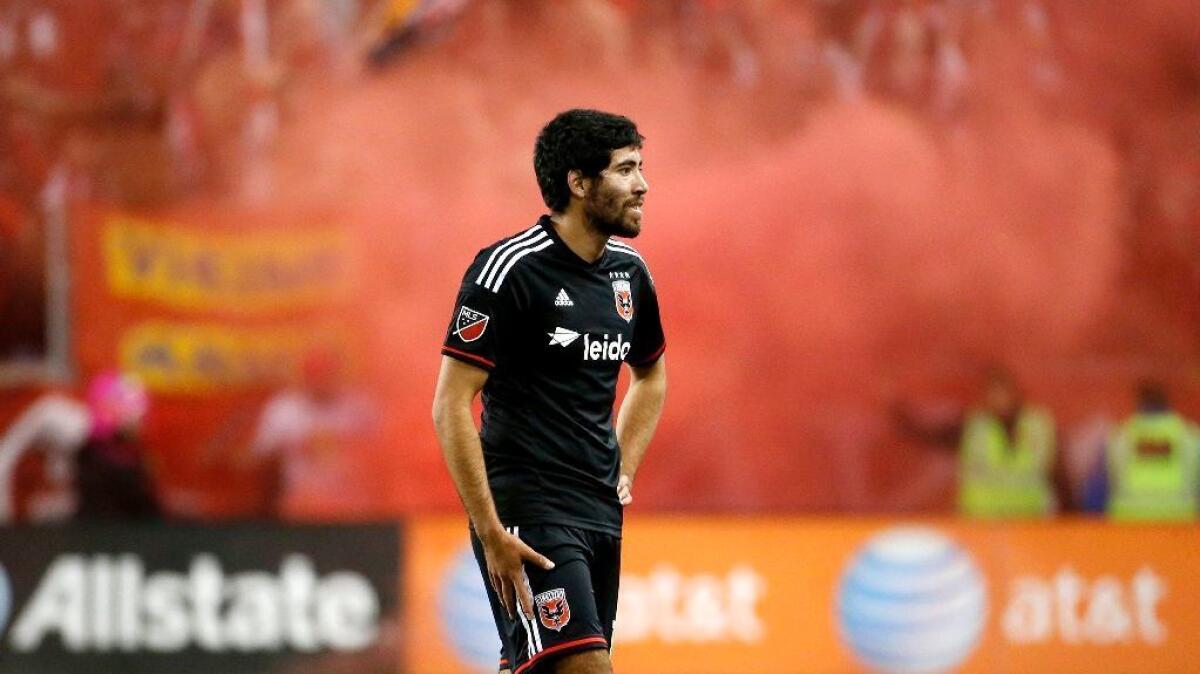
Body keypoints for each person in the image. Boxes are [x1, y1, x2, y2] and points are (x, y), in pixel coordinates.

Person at [432, 109, 667, 674]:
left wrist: (622, 468)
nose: (643, 185)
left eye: (641, 168)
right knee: (586, 668)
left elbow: (651, 375)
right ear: (579, 183)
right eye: (626, 170)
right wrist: (490, 532)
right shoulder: (507, 270)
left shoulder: (630, 274)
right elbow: (450, 404)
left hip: (599, 514)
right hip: (529, 510)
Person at [894, 367, 1064, 517]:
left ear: (1016, 393)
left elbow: (1058, 472)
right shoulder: (974, 426)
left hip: (1030, 517)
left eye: (1004, 392)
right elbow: (935, 435)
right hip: (982, 519)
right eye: (993, 393)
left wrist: (1069, 516)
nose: (1000, 399)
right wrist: (902, 416)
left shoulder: (1039, 424)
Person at [1105, 380, 1199, 522]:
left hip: (1129, 519)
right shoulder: (1190, 436)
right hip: (1180, 519)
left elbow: (1103, 484)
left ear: (1137, 402)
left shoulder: (1120, 437)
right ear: (1168, 402)